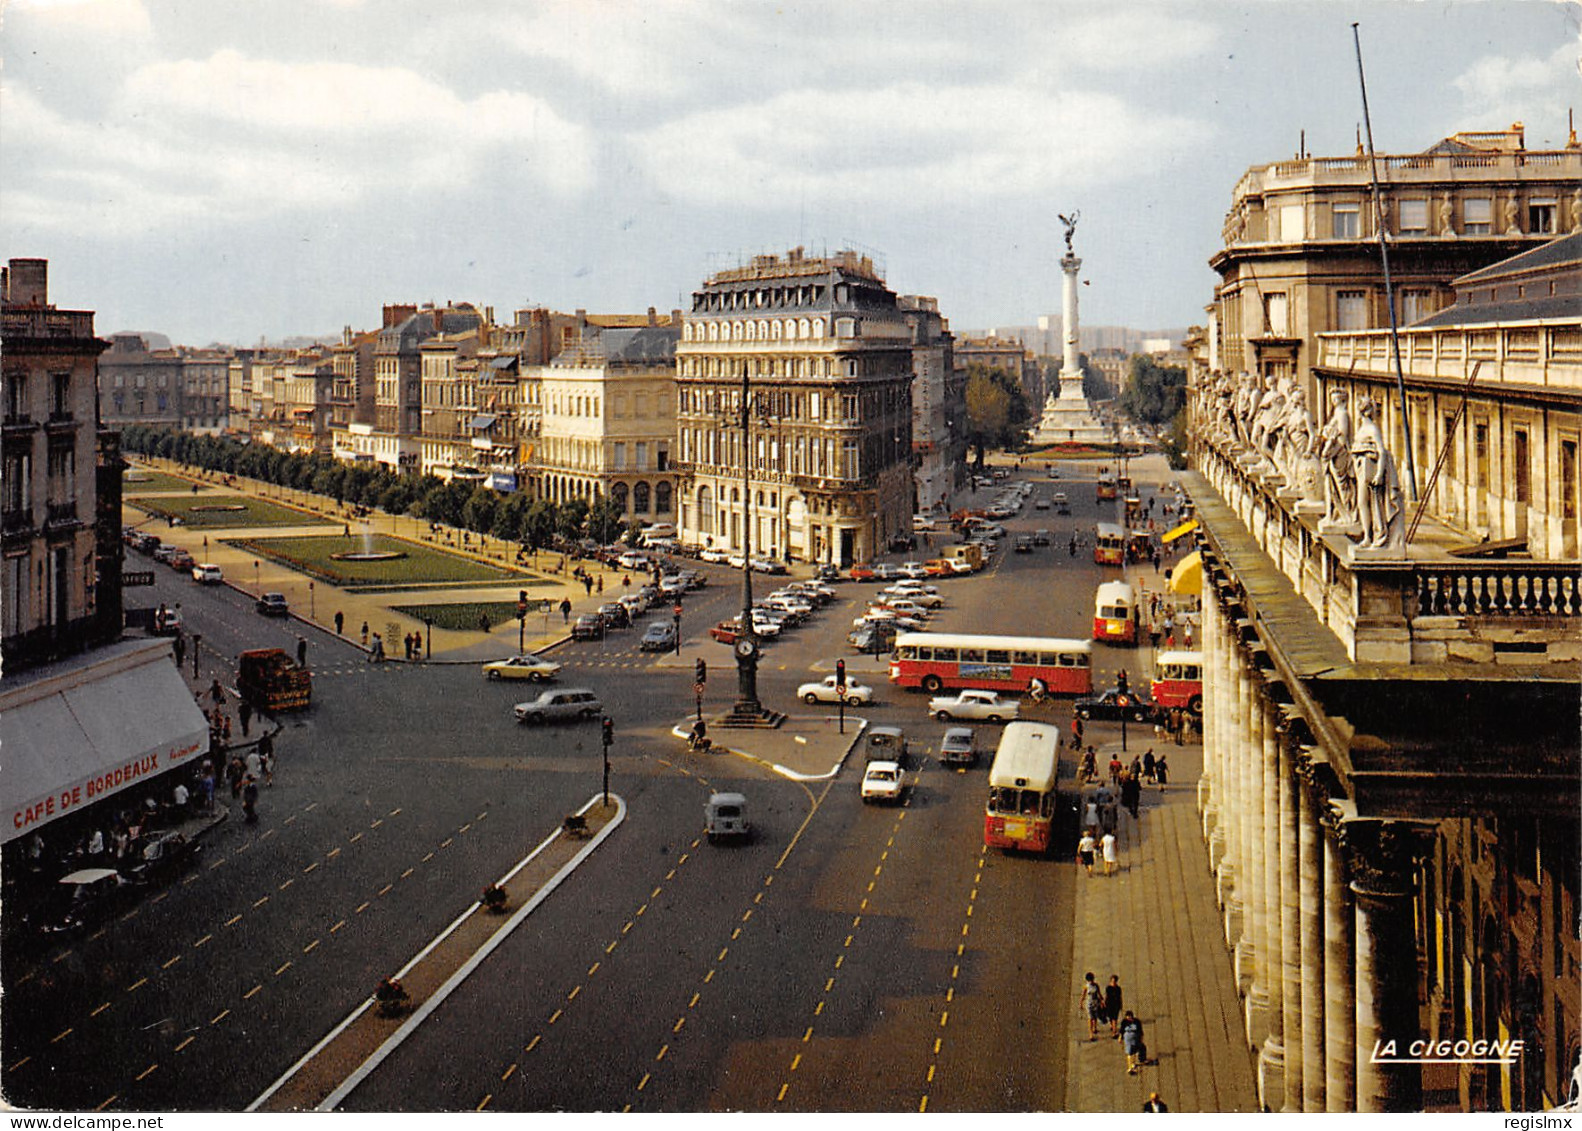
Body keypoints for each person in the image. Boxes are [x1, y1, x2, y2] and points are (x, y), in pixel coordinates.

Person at [1080, 972, 1103, 1039]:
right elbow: (1083, 995)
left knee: (1095, 1016)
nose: (1091, 981)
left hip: (1095, 1002)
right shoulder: (1086, 987)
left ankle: (1095, 1028)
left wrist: (1102, 1001)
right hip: (1089, 1003)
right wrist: (1081, 1003)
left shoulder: (1096, 985)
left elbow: (1099, 993)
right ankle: (1091, 1033)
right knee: (1090, 1018)